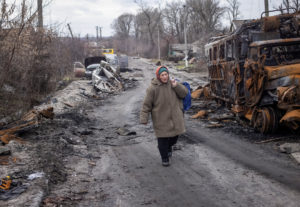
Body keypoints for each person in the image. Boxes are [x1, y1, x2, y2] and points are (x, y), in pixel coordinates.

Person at [140, 66, 188, 167]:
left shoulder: (173, 83)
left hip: (175, 117)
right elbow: (146, 104)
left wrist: (176, 86)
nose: (165, 77)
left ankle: (169, 147)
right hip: (160, 118)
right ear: (158, 76)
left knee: (174, 137)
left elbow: (184, 94)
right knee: (162, 139)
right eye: (162, 75)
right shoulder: (153, 88)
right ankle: (164, 158)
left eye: (166, 74)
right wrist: (144, 118)